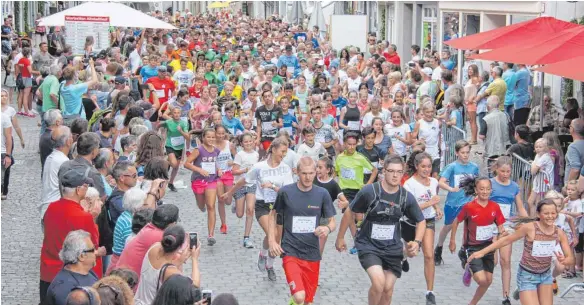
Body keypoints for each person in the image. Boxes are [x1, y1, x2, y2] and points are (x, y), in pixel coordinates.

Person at [336, 154, 426, 305]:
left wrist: (417, 242)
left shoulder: (405, 197)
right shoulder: (369, 191)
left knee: (387, 289)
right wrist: (340, 238)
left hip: (392, 247)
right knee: (379, 283)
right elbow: (349, 212)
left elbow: (421, 220)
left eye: (398, 171)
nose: (395, 175)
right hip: (368, 244)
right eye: (391, 171)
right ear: (384, 171)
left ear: (403, 172)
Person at [467, 199, 574, 305]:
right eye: (546, 213)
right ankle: (523, 289)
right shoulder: (530, 228)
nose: (550, 216)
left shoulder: (559, 233)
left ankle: (522, 292)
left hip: (545, 275)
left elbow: (570, 258)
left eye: (553, 213)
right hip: (527, 276)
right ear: (538, 214)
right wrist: (482, 252)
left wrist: (565, 260)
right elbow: (506, 240)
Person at [221, 138, 294, 281]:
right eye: (282, 151)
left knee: (276, 238)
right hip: (263, 205)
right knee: (271, 233)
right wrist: (230, 193)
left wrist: (272, 186)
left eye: (286, 152)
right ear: (273, 149)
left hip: (279, 206)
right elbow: (244, 180)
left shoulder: (285, 168)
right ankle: (270, 266)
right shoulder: (260, 167)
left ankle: (266, 257)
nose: (284, 155)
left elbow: (288, 192)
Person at [268, 157, 337, 305]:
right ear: (297, 172)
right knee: (299, 296)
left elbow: (332, 222)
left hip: (312, 253)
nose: (308, 177)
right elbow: (272, 215)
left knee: (307, 301)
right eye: (304, 173)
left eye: (311, 173)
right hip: (290, 251)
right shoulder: (286, 192)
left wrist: (327, 228)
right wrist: (272, 241)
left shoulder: (322, 194)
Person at [40, 168, 105, 302]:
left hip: (48, 273)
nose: (87, 189)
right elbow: (92, 248)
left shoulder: (51, 208)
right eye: (86, 186)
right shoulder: (83, 217)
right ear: (78, 190)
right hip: (72, 278)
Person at [449, 176, 506, 305]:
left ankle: (472, 303)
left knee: (489, 281)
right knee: (481, 280)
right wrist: (452, 240)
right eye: (482, 189)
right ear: (476, 190)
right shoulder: (469, 207)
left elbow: (500, 226)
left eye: (487, 189)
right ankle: (468, 266)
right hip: (472, 247)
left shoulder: (495, 207)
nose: (485, 192)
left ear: (491, 190)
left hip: (488, 247)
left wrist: (502, 232)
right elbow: (456, 221)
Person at [403, 152, 442, 305]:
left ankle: (430, 292)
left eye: (429, 166)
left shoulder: (433, 181)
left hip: (428, 220)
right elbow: (409, 208)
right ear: (417, 166)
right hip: (411, 221)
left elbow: (431, 196)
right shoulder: (409, 184)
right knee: (411, 251)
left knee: (428, 254)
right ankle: (403, 256)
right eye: (423, 166)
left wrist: (437, 207)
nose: (427, 169)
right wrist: (430, 203)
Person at [489, 156, 528, 305]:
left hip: (506, 226)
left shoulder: (514, 186)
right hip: (490, 225)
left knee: (506, 261)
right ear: (496, 169)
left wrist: (528, 222)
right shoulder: (490, 184)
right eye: (502, 171)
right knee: (493, 261)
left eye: (508, 171)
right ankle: (471, 266)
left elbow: (521, 207)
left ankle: (506, 296)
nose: (505, 174)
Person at [134, 225, 201, 305]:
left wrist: (180, 260)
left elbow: (166, 260)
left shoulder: (154, 247)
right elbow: (194, 286)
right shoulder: (171, 272)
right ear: (180, 246)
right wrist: (194, 258)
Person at [115, 204, 179, 280]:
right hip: (130, 281)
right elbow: (178, 256)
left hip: (124, 275)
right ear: (172, 224)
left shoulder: (149, 228)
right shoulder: (158, 236)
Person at [184, 127, 222, 246]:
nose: (211, 139)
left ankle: (211, 234)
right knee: (201, 206)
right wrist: (199, 170)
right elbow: (186, 163)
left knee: (211, 206)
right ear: (203, 138)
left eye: (213, 137)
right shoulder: (198, 150)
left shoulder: (216, 150)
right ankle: (201, 205)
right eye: (208, 137)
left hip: (211, 180)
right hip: (198, 180)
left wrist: (219, 169)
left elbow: (215, 162)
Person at [44, 230, 99, 305]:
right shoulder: (64, 288)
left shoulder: (88, 272)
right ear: (81, 256)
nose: (96, 252)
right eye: (92, 249)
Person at [107, 188, 147, 275]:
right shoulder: (129, 223)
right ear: (137, 206)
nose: (146, 206)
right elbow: (131, 246)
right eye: (144, 204)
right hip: (122, 262)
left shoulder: (125, 216)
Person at [59, 59, 98, 127]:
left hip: (67, 116)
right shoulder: (75, 88)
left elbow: (69, 72)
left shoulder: (62, 85)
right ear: (74, 76)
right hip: (79, 117)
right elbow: (95, 80)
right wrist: (91, 65)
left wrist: (78, 64)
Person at [412, 101, 442, 179]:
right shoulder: (419, 123)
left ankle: (435, 191)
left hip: (435, 153)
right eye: (427, 112)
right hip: (424, 154)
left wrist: (441, 148)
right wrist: (419, 142)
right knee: (426, 177)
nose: (430, 114)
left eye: (432, 112)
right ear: (423, 112)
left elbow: (439, 136)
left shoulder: (437, 122)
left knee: (436, 177)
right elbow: (412, 138)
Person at [565, 119, 584, 184]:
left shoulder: (573, 147)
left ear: (572, 129)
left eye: (570, 126)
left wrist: (568, 185)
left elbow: (575, 170)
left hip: (575, 188)